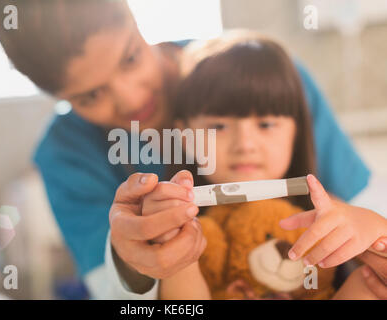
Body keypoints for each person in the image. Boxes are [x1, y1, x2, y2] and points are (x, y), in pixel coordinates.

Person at [0, 0, 385, 299]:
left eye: (130, 57)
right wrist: (141, 263)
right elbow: (117, 293)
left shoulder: (261, 73)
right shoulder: (66, 153)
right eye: (91, 95)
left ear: (133, 15)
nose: (130, 98)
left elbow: (368, 218)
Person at [139, 33, 386, 299]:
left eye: (266, 125)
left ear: (296, 133)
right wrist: (175, 245)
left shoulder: (326, 209)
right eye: (219, 126)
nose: (245, 144)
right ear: (186, 138)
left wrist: (373, 230)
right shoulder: (190, 227)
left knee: (370, 281)